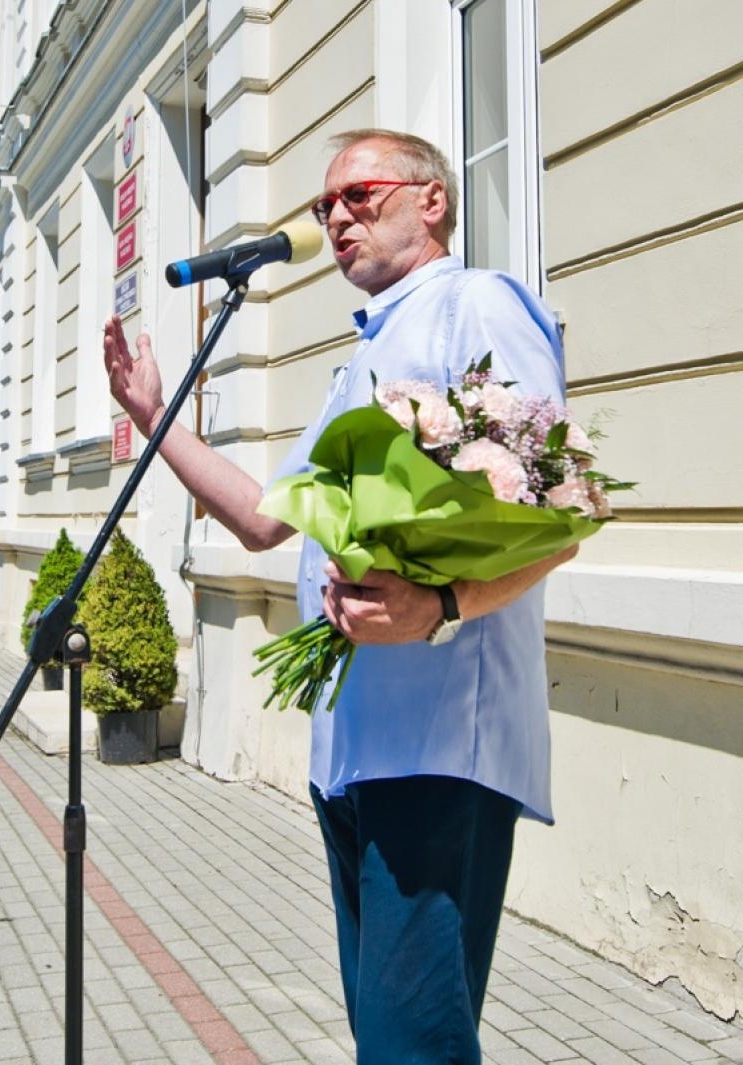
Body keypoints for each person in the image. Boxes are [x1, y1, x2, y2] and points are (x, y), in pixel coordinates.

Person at [103, 129, 577, 1063]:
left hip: (442, 745)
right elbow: (262, 521)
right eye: (325, 207)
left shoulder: (477, 305)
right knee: (387, 1040)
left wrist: (439, 609)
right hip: (354, 755)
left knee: (412, 1046)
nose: (336, 219)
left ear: (430, 198)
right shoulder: (356, 360)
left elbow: (558, 510)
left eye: (358, 195)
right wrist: (152, 416)